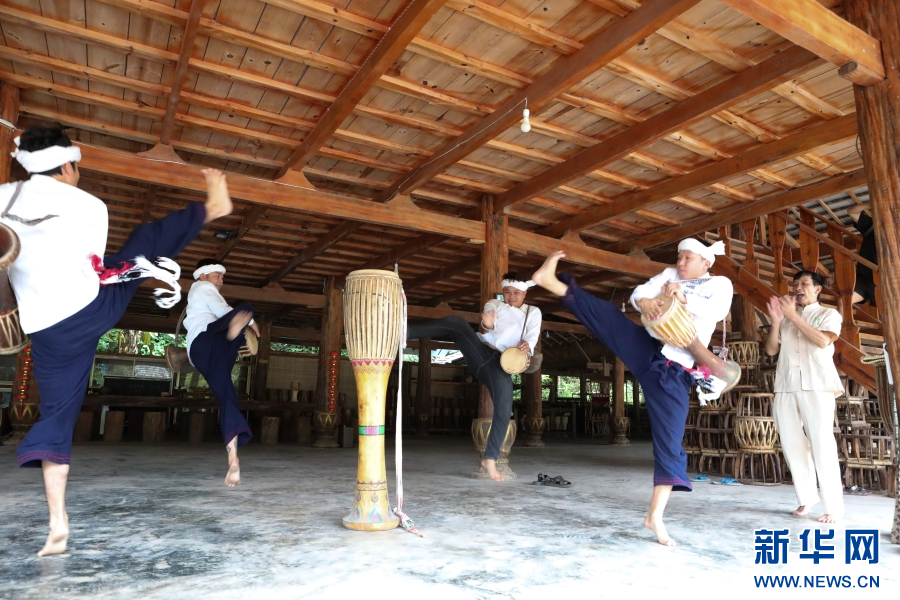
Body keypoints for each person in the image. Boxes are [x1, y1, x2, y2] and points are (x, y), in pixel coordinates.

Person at [3, 126, 233, 557]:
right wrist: (143, 271)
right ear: (67, 165)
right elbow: (97, 265)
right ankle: (210, 209)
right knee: (143, 241)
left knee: (56, 415)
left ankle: (57, 523)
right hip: (91, 307)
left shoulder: (4, 197)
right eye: (76, 167)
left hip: (45, 328)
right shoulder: (90, 204)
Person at [531, 239, 733, 546]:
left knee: (669, 442)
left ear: (706, 262)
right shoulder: (669, 274)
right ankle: (551, 282)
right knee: (609, 317)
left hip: (675, 370)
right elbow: (639, 293)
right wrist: (646, 303)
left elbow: (718, 310)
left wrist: (685, 298)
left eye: (687, 258)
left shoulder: (718, 284)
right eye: (679, 257)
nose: (680, 263)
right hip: (648, 347)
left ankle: (655, 516)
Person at [406, 273, 541, 481]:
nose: (511, 297)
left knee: (504, 410)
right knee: (457, 322)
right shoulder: (495, 304)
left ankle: (490, 459)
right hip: (481, 353)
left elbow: (532, 335)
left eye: (516, 293)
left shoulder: (533, 312)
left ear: (524, 293)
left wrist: (527, 345)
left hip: (501, 365)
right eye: (507, 292)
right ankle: (404, 332)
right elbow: (488, 324)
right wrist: (489, 324)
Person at [765, 269, 844, 523]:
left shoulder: (829, 314)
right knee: (791, 443)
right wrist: (777, 322)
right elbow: (771, 350)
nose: (798, 287)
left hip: (817, 384)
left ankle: (833, 506)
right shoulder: (787, 318)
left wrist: (792, 317)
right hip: (786, 384)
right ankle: (807, 498)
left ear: (817, 289)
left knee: (822, 443)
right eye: (795, 284)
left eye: (804, 284)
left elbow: (822, 341)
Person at [184, 258, 259, 488]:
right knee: (245, 308)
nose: (220, 280)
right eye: (217, 275)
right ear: (203, 275)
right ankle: (234, 332)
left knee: (228, 399)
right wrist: (250, 321)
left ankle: (233, 460)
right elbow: (223, 310)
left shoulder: (203, 292)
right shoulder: (201, 287)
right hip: (206, 341)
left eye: (222, 277)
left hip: (206, 356)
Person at [846, 204, 877, 306]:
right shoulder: (872, 226)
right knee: (844, 301)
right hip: (864, 279)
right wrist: (871, 202)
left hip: (887, 282)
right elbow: (852, 211)